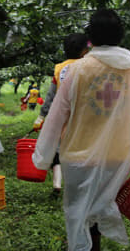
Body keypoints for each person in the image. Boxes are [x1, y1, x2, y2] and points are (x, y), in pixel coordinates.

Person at [32, 9, 130, 251]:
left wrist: (42, 157)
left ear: (90, 38)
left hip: (79, 155)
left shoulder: (77, 70)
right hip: (117, 155)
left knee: (78, 210)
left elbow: (57, 115)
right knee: (102, 203)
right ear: (121, 36)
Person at [32, 33, 90, 196]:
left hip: (62, 117)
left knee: (58, 151)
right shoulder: (89, 66)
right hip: (83, 117)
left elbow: (50, 96)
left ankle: (57, 184)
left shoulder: (59, 69)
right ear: (84, 51)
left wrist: (41, 116)